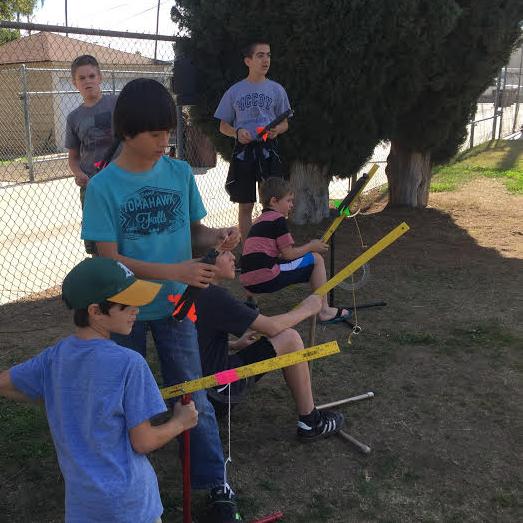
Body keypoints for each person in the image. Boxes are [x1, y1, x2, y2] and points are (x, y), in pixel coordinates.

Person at [81, 78, 243, 522]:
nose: (164, 143)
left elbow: (194, 232)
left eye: (168, 133)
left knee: (193, 395)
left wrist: (218, 236)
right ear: (127, 132)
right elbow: (109, 260)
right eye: (155, 134)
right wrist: (175, 271)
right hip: (123, 314)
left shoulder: (178, 174)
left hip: (177, 308)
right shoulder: (103, 187)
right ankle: (124, 479)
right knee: (124, 400)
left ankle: (213, 482)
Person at [0, 257, 198, 522]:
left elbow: (4, 383)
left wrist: (54, 398)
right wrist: (181, 422)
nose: (136, 309)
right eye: (127, 304)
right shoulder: (129, 363)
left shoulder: (54, 357)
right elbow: (143, 441)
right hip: (130, 506)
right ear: (95, 311)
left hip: (83, 506)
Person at [195, 250, 345, 440]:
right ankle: (311, 422)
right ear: (206, 260)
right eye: (225, 253)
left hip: (194, 395)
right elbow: (272, 327)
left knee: (283, 338)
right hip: (217, 391)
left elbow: (198, 340)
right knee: (290, 339)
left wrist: (233, 345)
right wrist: (307, 309)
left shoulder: (188, 290)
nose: (233, 257)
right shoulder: (215, 296)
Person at [240, 177, 351, 324]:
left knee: (264, 265)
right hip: (267, 278)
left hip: (247, 281)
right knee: (316, 259)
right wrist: (311, 246)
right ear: (274, 201)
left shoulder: (258, 221)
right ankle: (324, 311)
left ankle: (250, 305)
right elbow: (289, 254)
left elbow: (271, 254)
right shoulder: (278, 220)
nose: (292, 205)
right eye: (288, 201)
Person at [214, 41, 291, 243]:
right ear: (248, 61)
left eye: (268, 55)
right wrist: (237, 132)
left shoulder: (277, 90)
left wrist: (276, 130)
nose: (266, 60)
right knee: (246, 204)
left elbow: (285, 123)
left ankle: (273, 246)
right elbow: (223, 126)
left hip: (268, 151)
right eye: (260, 55)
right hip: (244, 153)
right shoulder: (234, 91)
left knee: (274, 201)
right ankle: (250, 250)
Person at [65, 54, 118, 255]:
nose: (87, 81)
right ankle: (100, 267)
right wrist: (79, 174)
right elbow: (73, 156)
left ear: (100, 77)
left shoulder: (116, 104)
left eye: (91, 76)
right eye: (82, 78)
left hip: (121, 179)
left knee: (125, 231)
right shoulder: (74, 118)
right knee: (97, 238)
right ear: (75, 83)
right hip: (92, 184)